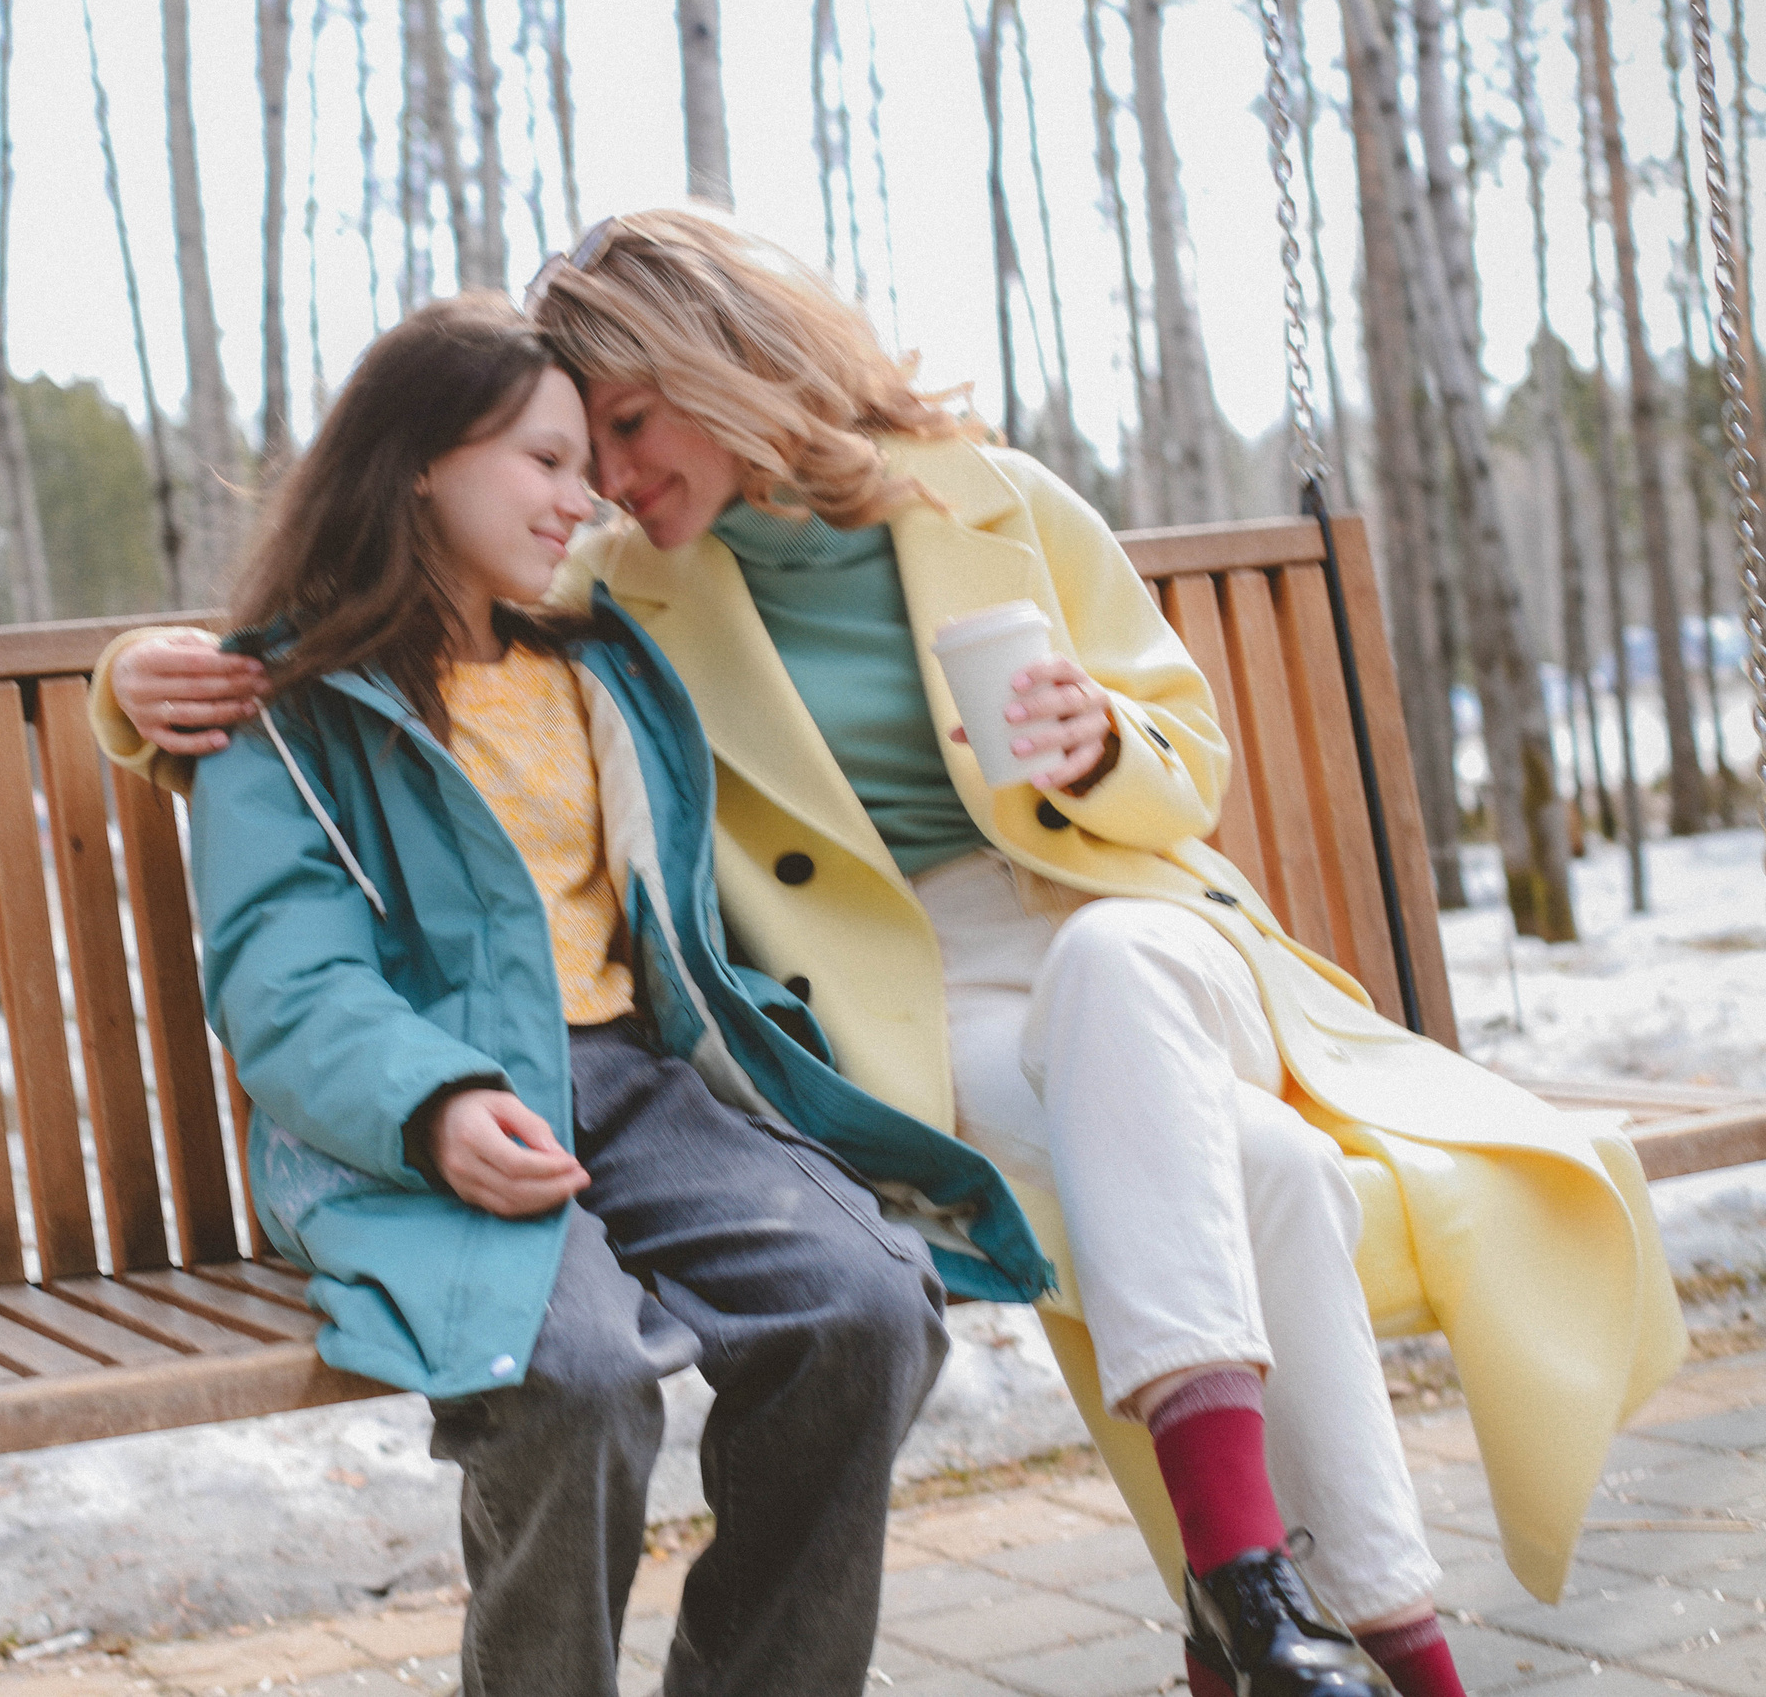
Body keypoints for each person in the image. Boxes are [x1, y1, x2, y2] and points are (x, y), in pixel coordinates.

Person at [99, 210, 1686, 1697]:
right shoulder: (625, 587)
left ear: (726, 361)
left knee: (1026, 1110)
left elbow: (1183, 756)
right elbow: (366, 632)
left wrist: (1100, 743)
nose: (604, 482)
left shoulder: (960, 511)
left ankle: (1240, 1588)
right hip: (833, 1009)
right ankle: (1333, 1630)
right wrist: (133, 682)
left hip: (1108, 933)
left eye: (628, 430)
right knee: (1256, 1175)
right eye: (575, 449)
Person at [164, 291, 1050, 1697]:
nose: (588, 498)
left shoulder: (600, 662)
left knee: (863, 1304)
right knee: (571, 1378)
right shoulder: (289, 711)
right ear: (417, 464)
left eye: (591, 460)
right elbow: (285, 976)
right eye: (547, 459)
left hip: (633, 1087)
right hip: (409, 1119)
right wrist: (435, 1104)